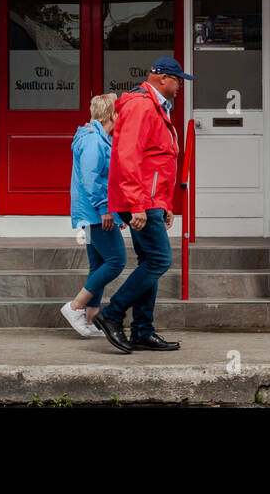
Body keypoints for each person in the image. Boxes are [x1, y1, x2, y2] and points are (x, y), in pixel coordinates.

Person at [91, 56, 191, 353]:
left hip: (149, 200)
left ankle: (142, 331)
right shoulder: (141, 104)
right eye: (178, 81)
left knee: (150, 261)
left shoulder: (155, 106)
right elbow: (128, 156)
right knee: (160, 260)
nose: (181, 87)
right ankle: (111, 315)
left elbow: (156, 161)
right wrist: (138, 204)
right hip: (139, 200)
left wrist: (164, 203)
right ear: (163, 79)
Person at [61, 93, 126, 338]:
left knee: (98, 264)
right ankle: (75, 306)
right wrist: (106, 209)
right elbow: (91, 180)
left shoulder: (98, 138)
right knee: (116, 261)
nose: (122, 117)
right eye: (120, 112)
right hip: (95, 214)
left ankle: (89, 319)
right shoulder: (94, 141)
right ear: (112, 114)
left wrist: (114, 212)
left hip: (95, 213)